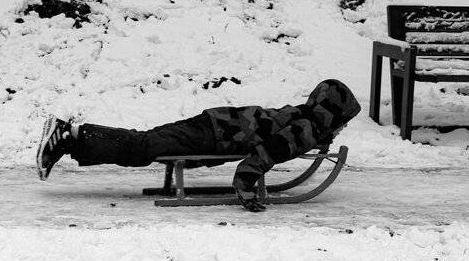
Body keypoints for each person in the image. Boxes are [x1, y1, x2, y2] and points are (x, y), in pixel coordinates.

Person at [36, 79, 361, 212]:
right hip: (215, 134)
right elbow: (266, 154)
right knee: (144, 146)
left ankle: (71, 141)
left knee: (146, 144)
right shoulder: (308, 128)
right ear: (331, 113)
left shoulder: (303, 118)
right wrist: (246, 186)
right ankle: (68, 136)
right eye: (343, 118)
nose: (343, 125)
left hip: (217, 124)